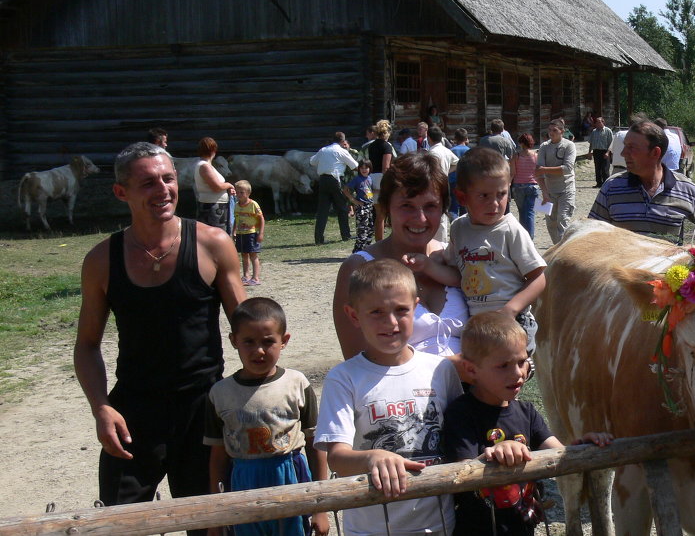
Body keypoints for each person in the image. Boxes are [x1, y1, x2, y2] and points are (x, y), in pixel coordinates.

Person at [75, 143, 244, 536]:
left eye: (168, 179)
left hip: (203, 409)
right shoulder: (102, 260)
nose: (163, 190)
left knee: (212, 527)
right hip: (133, 413)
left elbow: (248, 328)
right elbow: (86, 345)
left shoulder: (212, 244)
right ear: (122, 193)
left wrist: (259, 396)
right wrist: (101, 408)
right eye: (148, 183)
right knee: (119, 526)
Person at [316, 259, 463, 536]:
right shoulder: (343, 378)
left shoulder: (441, 370)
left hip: (439, 525)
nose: (391, 322)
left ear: (416, 307)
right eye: (376, 312)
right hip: (371, 528)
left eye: (401, 310)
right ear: (354, 315)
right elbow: (336, 457)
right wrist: (372, 458)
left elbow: (462, 435)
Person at [442, 312, 612, 535]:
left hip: (523, 526)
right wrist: (494, 454)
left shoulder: (527, 412)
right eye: (503, 365)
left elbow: (558, 455)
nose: (518, 374)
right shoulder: (461, 413)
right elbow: (462, 473)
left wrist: (581, 446)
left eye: (522, 362)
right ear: (472, 370)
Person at [204, 297, 329, 536]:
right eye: (248, 342)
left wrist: (320, 506)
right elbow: (218, 457)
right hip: (242, 482)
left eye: (268, 341)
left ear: (284, 341)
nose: (259, 350)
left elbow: (315, 444)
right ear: (233, 341)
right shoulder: (220, 393)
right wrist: (216, 518)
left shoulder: (296, 384)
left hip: (289, 476)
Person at [333, 152, 468, 360]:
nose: (420, 218)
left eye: (430, 206)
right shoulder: (359, 268)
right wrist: (453, 370)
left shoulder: (455, 257)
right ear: (387, 207)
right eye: (407, 206)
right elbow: (357, 363)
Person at [428, 147, 546, 353]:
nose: (495, 203)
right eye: (484, 195)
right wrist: (427, 265)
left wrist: (510, 309)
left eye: (501, 194)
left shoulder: (510, 230)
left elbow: (539, 277)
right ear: (462, 198)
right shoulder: (459, 228)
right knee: (479, 377)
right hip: (476, 321)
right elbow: (457, 276)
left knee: (502, 373)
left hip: (512, 318)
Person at [589, 117, 695, 243]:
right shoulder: (611, 187)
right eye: (625, 146)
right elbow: (591, 234)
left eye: (631, 147)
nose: (623, 153)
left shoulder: (685, 188)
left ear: (655, 153)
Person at [309, 131, 358, 245]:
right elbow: (354, 165)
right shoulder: (341, 151)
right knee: (342, 208)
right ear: (342, 141)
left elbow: (312, 161)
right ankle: (345, 235)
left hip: (323, 180)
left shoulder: (323, 150)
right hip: (335, 179)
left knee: (322, 210)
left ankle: (319, 238)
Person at [535, 119, 576, 245]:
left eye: (555, 130)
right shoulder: (544, 147)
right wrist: (544, 193)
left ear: (562, 131)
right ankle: (557, 248)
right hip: (549, 191)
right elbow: (538, 172)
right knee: (551, 223)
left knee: (562, 220)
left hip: (566, 190)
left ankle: (564, 251)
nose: (551, 133)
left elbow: (567, 168)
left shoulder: (569, 145)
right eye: (549, 130)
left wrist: (545, 169)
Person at [195, 137, 235, 235]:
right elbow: (216, 187)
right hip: (212, 208)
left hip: (215, 206)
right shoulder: (204, 166)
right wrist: (229, 185)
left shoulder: (207, 165)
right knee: (216, 235)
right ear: (213, 150)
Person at [232, 180, 265, 287]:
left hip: (251, 233)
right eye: (237, 192)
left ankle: (255, 277)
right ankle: (246, 276)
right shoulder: (236, 205)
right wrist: (234, 231)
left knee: (253, 255)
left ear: (248, 193)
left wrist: (261, 233)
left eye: (242, 192)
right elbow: (236, 219)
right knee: (243, 254)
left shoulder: (253, 205)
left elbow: (261, 219)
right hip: (241, 233)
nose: (239, 195)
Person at [510, 133, 539, 239]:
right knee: (530, 212)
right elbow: (538, 172)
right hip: (533, 186)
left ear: (521, 143)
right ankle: (530, 237)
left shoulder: (516, 156)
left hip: (518, 187)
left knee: (522, 212)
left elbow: (512, 173)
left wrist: (508, 185)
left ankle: (523, 236)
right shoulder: (536, 156)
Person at [343, 160, 374, 253]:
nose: (364, 170)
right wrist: (354, 200)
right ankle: (358, 252)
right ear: (359, 169)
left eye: (366, 168)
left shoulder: (370, 178)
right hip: (362, 207)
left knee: (370, 230)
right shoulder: (357, 179)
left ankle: (367, 250)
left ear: (370, 168)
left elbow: (370, 191)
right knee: (362, 231)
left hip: (370, 206)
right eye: (362, 168)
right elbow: (345, 190)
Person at [448, 129, 471, 219]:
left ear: (455, 138)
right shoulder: (469, 151)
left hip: (453, 180)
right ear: (466, 138)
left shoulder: (451, 150)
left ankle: (454, 224)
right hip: (465, 181)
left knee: (453, 206)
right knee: (464, 205)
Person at [587, 116, 614, 187]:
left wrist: (608, 153)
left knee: (605, 169)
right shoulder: (594, 131)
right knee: (597, 168)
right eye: (597, 122)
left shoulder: (608, 131)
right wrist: (589, 152)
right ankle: (598, 183)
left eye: (599, 122)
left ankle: (606, 184)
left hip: (605, 151)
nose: (598, 124)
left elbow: (611, 143)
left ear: (603, 122)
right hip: (596, 151)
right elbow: (591, 142)